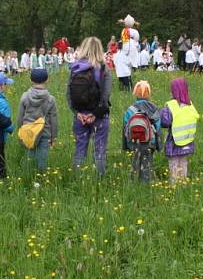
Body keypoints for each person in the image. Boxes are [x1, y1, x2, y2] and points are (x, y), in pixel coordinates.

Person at [68, 37, 112, 176]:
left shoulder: (75, 67)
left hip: (80, 115)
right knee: (99, 150)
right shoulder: (104, 68)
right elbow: (105, 96)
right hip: (98, 116)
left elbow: (69, 94)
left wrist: (77, 113)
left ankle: (77, 179)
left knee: (80, 149)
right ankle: (100, 180)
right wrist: (95, 114)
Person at [16, 68, 59, 173]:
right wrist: (54, 137)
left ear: (30, 80)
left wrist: (20, 131)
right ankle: (41, 177)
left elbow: (19, 117)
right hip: (45, 132)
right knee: (42, 157)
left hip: (28, 132)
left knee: (28, 156)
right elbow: (54, 119)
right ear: (47, 80)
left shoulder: (25, 96)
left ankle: (27, 176)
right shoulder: (51, 99)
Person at [160, 78, 199, 183]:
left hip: (174, 141)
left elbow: (165, 122)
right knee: (183, 163)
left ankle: (174, 186)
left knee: (174, 164)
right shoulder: (190, 105)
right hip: (187, 140)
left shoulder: (171, 106)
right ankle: (183, 183)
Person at [122, 80, 161, 183]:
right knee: (147, 163)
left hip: (134, 141)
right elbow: (158, 128)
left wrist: (125, 145)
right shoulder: (154, 108)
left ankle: (134, 182)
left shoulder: (130, 110)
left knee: (134, 163)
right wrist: (157, 145)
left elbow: (125, 127)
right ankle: (146, 183)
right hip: (149, 142)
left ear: (135, 93)